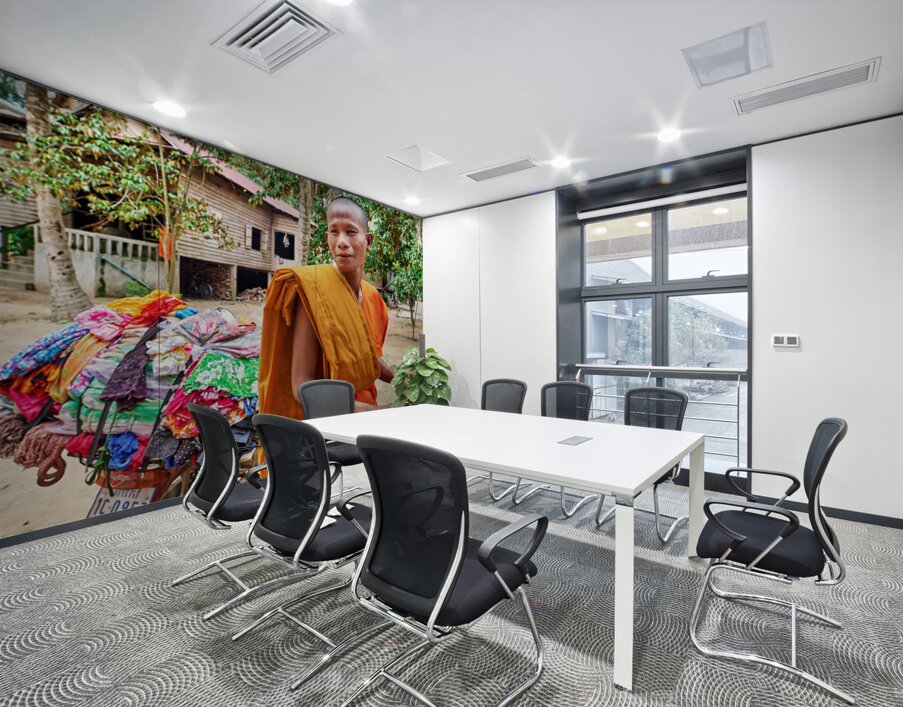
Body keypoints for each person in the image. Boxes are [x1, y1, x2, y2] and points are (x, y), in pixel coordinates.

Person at [257, 197, 394, 420]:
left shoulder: (373, 298)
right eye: (334, 232)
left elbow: (366, 357)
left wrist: (405, 380)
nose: (342, 241)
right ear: (327, 238)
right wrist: (374, 413)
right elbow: (302, 387)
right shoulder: (315, 292)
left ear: (368, 241)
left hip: (370, 417)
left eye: (351, 232)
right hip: (329, 424)